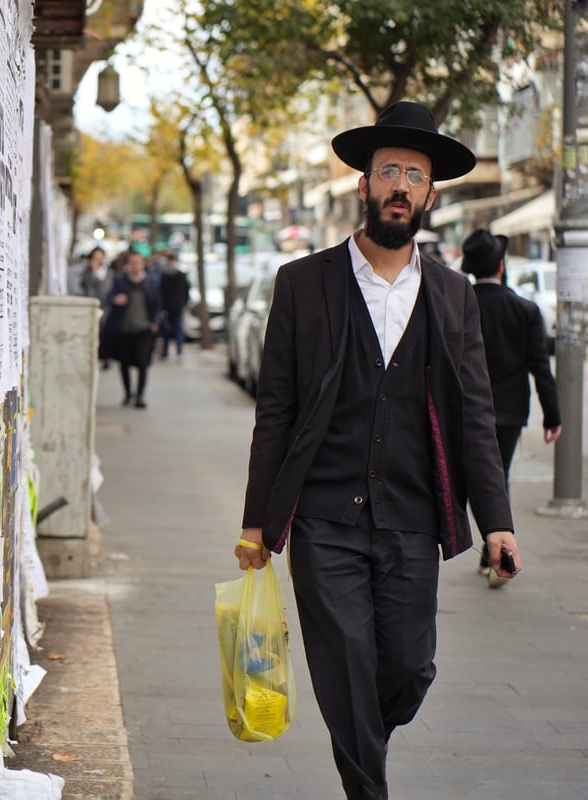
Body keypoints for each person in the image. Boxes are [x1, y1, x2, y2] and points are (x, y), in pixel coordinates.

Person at [233, 101, 519, 800]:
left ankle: (361, 731)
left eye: (413, 175)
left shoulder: (454, 298)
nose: (399, 184)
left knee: (408, 667)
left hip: (414, 519)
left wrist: (499, 522)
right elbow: (275, 410)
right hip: (325, 518)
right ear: (364, 184)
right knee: (346, 660)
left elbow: (476, 417)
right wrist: (256, 522)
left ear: (428, 194)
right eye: (387, 169)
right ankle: (369, 789)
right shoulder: (303, 283)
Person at [460, 229, 561, 586]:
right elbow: (539, 367)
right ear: (502, 266)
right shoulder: (525, 309)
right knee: (496, 474)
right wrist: (553, 415)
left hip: (465, 411)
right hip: (510, 411)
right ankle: (496, 544)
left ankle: (493, 544)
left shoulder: (458, 303)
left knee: (478, 478)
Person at [100, 251, 160, 408]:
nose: (135, 266)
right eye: (132, 262)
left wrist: (154, 322)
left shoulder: (150, 282)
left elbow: (156, 304)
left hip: (143, 329)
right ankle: (127, 394)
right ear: (128, 265)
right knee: (124, 363)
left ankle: (140, 396)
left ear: (143, 264)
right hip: (124, 329)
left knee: (142, 363)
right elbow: (108, 298)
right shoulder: (121, 280)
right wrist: (115, 299)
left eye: (138, 262)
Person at [158, 252, 190, 360]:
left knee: (177, 330)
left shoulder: (180, 275)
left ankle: (179, 351)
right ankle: (166, 352)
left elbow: (186, 291)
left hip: (177, 307)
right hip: (168, 308)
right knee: (167, 331)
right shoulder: (165, 276)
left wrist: (184, 303)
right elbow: (161, 292)